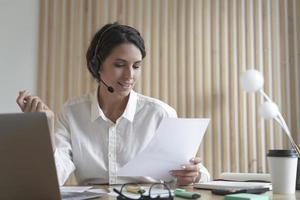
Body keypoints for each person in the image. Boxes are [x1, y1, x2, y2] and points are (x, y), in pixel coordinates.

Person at [16, 22, 210, 186]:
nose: (129, 76)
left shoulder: (160, 113)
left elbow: (201, 174)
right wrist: (45, 129)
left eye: (136, 66)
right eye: (119, 65)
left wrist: (195, 174)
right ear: (97, 65)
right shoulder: (72, 112)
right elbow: (54, 179)